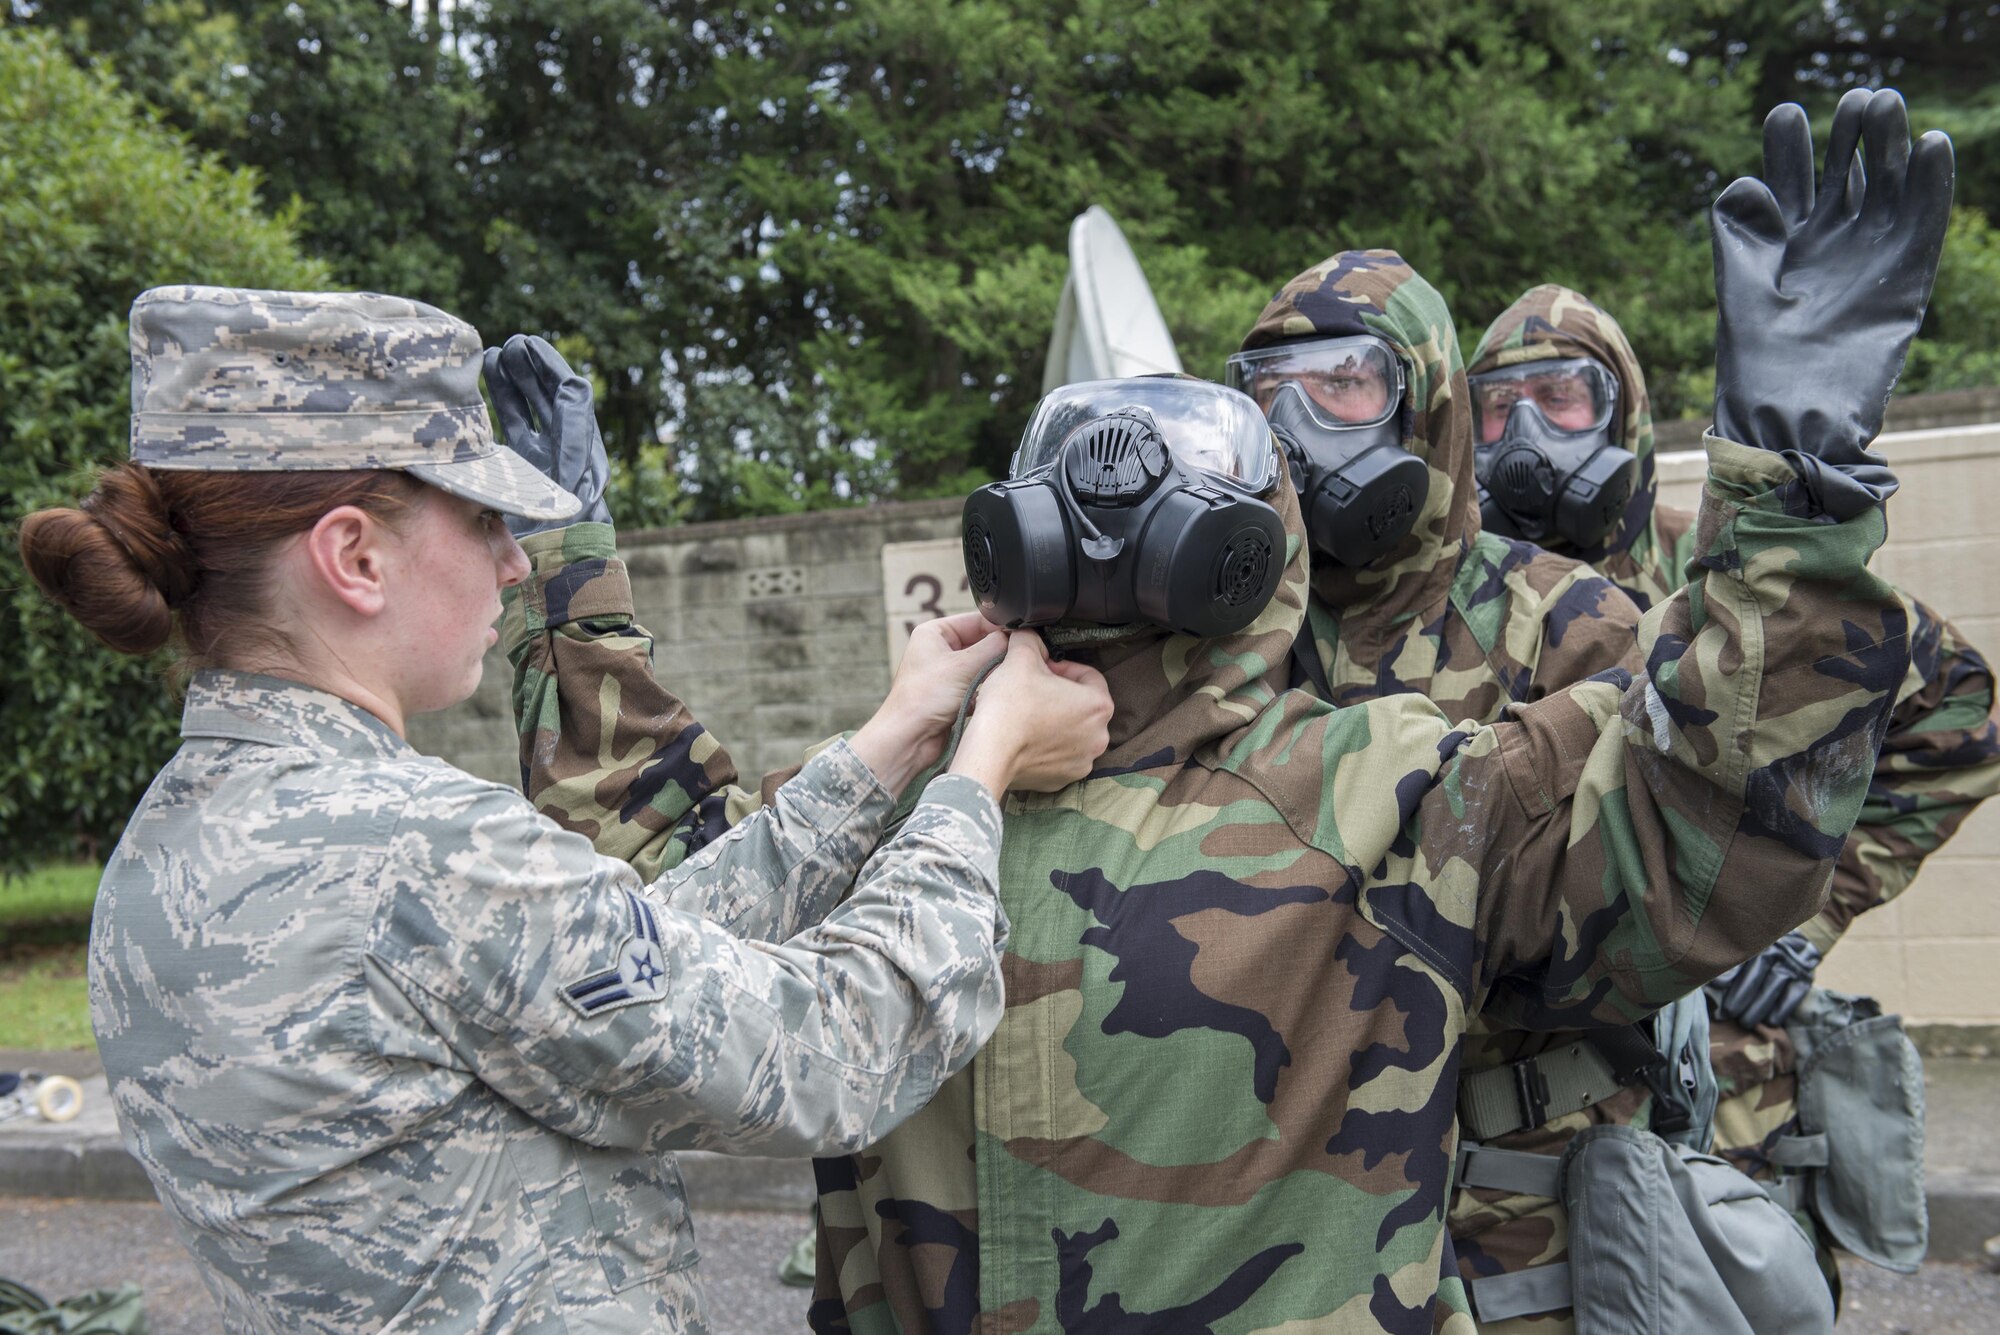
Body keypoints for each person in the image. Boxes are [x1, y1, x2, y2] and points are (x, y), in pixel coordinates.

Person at [498, 89, 1947, 1330]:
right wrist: (1790, 492)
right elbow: (1703, 817)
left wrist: (573, 578)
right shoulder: (1396, 798)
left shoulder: (887, 832)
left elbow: (669, 888)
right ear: (1264, 556)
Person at [18, 285, 1113, 1334]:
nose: (509, 566)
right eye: (483, 519)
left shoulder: (169, 848)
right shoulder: (422, 853)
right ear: (354, 556)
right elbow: (827, 1052)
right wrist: (980, 773)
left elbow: (623, 961)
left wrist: (887, 748)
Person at [1453, 95, 2000, 1328]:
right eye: (1493, 412)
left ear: (1628, 412)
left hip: (1730, 1097)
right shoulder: (1445, 604)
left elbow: (1955, 711)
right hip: (1541, 1120)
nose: (1526, 436)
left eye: (1564, 400)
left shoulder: (1729, 569)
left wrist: (1801, 918)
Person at [1222, 248, 1646, 724]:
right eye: (1271, 387)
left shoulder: (1566, 626)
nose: (1289, 423)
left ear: (1424, 409)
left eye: (1341, 380)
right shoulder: (1226, 619)